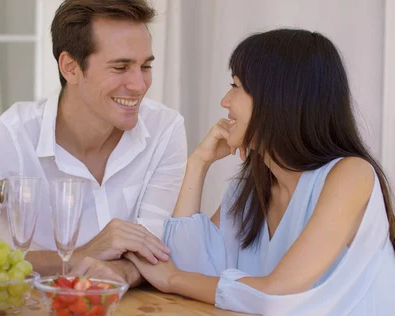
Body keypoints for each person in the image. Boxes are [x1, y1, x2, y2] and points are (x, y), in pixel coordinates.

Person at [124, 28, 395, 315]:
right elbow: (186, 264)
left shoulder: (351, 176)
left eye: (236, 86)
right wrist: (198, 163)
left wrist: (172, 279)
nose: (225, 101)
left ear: (278, 98)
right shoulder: (252, 188)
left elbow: (274, 293)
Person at [0, 0, 187, 286]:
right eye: (121, 67)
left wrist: (122, 272)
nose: (139, 85)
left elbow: (154, 251)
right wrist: (83, 255)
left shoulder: (165, 130)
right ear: (70, 67)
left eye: (145, 66)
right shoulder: (8, 138)